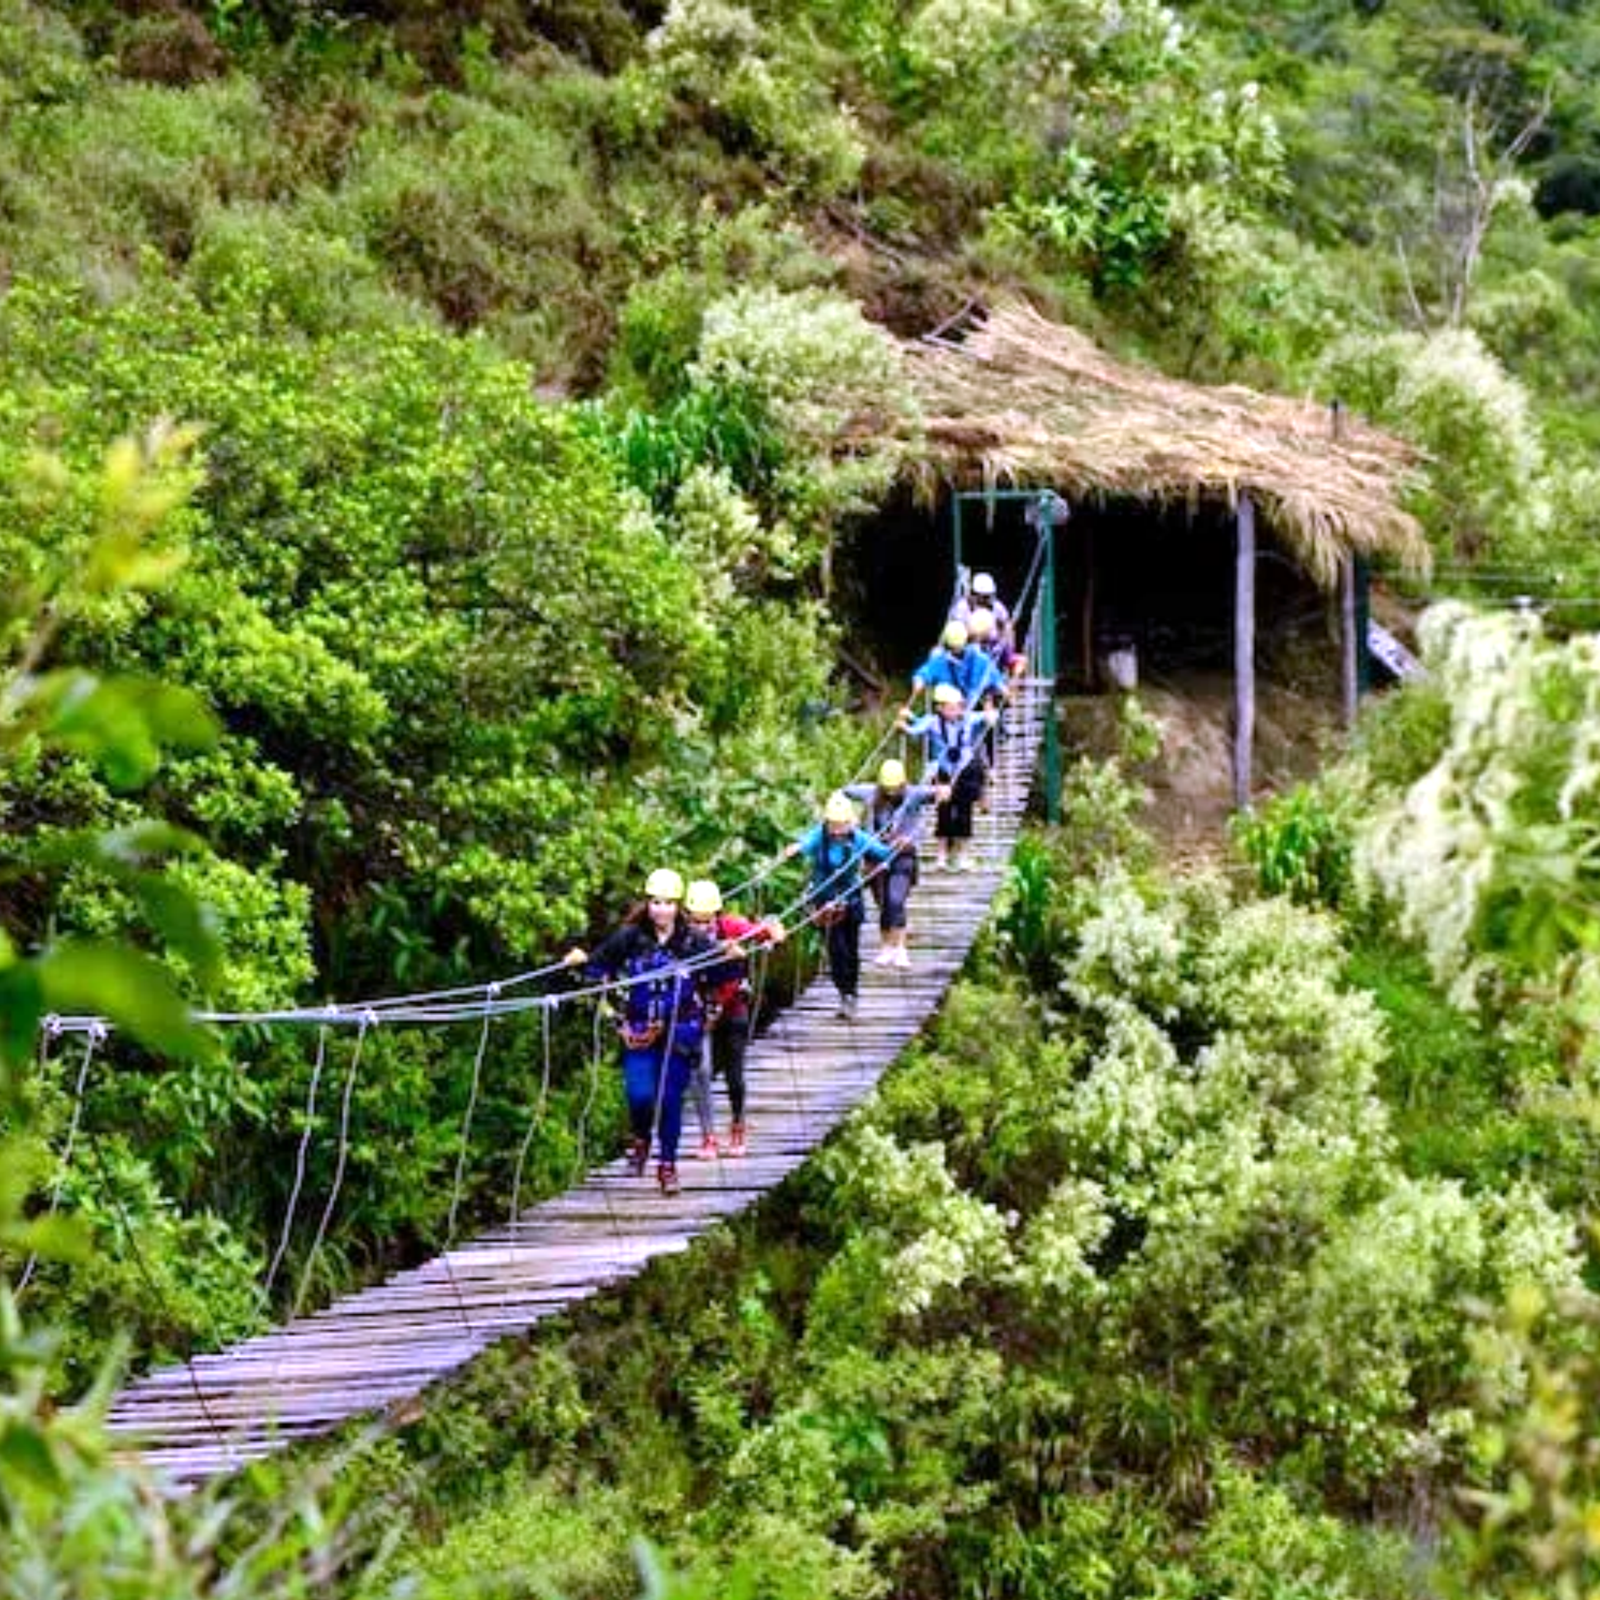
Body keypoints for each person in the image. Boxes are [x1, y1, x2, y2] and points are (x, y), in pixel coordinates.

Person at [562, 867, 718, 1196]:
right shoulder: (630, 938)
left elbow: (722, 972)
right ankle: (642, 1136)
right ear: (648, 904)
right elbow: (598, 968)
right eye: (655, 902)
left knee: (671, 1098)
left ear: (679, 906)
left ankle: (668, 1165)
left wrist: (738, 953)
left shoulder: (693, 942)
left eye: (668, 903)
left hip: (680, 1031)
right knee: (640, 1095)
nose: (661, 910)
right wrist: (581, 962)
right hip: (639, 1030)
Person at [682, 878, 783, 1159]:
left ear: (717, 914)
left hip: (732, 1007)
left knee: (734, 1075)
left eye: (707, 920)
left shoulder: (732, 927)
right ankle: (708, 1137)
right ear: (687, 916)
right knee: (700, 1071)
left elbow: (763, 932)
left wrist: (773, 931)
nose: (702, 927)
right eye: (696, 921)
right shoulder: (683, 938)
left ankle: (738, 1123)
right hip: (699, 1009)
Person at [783, 791, 895, 1019]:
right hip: (825, 904)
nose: (836, 830)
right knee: (836, 951)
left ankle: (851, 994)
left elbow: (882, 852)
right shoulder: (820, 836)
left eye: (841, 824)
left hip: (850, 902)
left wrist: (897, 849)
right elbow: (806, 844)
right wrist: (795, 849)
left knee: (851, 950)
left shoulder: (858, 838)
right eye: (833, 824)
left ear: (850, 822)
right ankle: (844, 992)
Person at [844, 757, 943, 969]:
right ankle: (886, 947)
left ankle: (900, 949)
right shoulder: (871, 793)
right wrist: (847, 813)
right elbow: (847, 790)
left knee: (895, 899)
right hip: (875, 857)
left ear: (903, 783)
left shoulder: (913, 795)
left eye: (894, 788)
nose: (890, 792)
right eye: (886, 788)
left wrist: (942, 791)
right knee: (884, 904)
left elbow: (934, 793)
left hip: (903, 855)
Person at [898, 684, 997, 871]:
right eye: (951, 707)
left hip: (966, 770)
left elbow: (989, 718)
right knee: (944, 812)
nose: (956, 711)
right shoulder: (931, 721)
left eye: (958, 706)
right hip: (944, 771)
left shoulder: (968, 719)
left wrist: (990, 713)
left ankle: (962, 855)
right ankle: (941, 856)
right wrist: (904, 725)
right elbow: (915, 730)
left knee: (964, 812)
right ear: (940, 708)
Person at [906, 618, 1006, 716]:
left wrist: (1002, 687)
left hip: (973, 703)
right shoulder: (940, 659)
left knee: (987, 700)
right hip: (949, 708)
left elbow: (991, 672)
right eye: (953, 649)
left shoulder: (977, 657)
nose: (956, 652)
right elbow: (926, 671)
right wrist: (919, 680)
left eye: (959, 648)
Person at [951, 570, 1014, 646]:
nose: (988, 600)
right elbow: (957, 633)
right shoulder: (962, 608)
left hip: (993, 649)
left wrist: (1007, 646)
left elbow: (1007, 626)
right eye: (985, 597)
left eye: (990, 596)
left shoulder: (997, 606)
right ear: (975, 594)